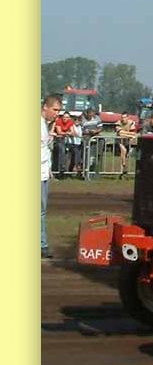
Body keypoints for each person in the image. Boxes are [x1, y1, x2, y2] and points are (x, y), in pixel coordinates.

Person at [41, 95, 62, 259]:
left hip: (43, 173)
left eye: (59, 111)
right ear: (45, 107)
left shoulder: (44, 125)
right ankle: (42, 245)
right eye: (55, 109)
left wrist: (48, 170)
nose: (57, 113)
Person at [51, 110, 74, 178]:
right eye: (64, 117)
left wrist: (66, 133)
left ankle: (65, 170)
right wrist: (67, 133)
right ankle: (59, 170)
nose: (65, 118)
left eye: (67, 117)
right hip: (58, 141)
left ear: (69, 118)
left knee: (68, 155)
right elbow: (59, 132)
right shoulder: (58, 121)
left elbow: (72, 132)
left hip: (66, 141)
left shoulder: (70, 122)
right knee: (60, 154)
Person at [115, 112, 138, 178]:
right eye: (122, 117)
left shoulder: (131, 122)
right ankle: (124, 166)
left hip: (128, 141)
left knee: (125, 155)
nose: (123, 119)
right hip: (120, 140)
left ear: (127, 117)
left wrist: (125, 134)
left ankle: (123, 171)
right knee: (123, 151)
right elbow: (120, 133)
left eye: (124, 117)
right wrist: (129, 134)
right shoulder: (118, 123)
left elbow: (133, 133)